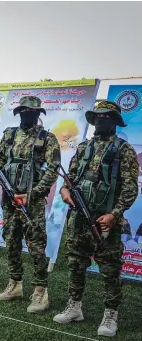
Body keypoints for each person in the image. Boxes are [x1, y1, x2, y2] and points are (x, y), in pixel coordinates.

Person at [53, 101, 139, 337]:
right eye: (98, 116)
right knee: (75, 264)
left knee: (110, 269)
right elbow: (69, 179)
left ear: (114, 121)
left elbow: (130, 189)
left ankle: (111, 314)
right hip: (79, 219)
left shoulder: (124, 150)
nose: (101, 120)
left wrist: (114, 214)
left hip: (106, 221)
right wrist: (64, 191)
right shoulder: (82, 148)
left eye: (106, 117)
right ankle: (74, 306)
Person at [0, 96, 60, 313]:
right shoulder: (9, 134)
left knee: (36, 246)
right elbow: (0, 159)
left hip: (32, 202)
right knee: (11, 241)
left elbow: (53, 169)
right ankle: (15, 284)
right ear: (19, 112)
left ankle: (40, 291)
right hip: (10, 199)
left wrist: (34, 194)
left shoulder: (47, 138)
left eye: (32, 112)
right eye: (24, 111)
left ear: (38, 114)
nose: (28, 115)